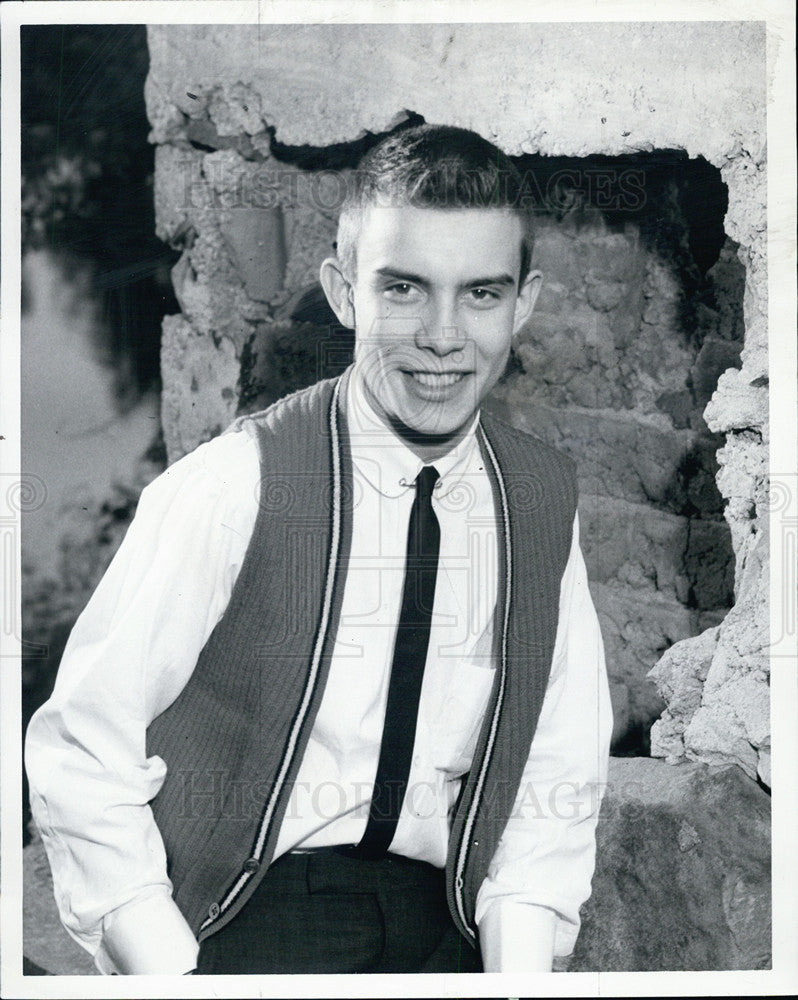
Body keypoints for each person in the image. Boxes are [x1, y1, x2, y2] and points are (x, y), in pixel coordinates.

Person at [25, 123, 612, 976]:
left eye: (482, 294)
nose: (444, 336)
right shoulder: (235, 485)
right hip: (253, 914)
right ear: (344, 294)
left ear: (524, 304)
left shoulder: (542, 500)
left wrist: (517, 974)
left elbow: (555, 762)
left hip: (451, 918)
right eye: (404, 289)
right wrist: (167, 965)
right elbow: (83, 746)